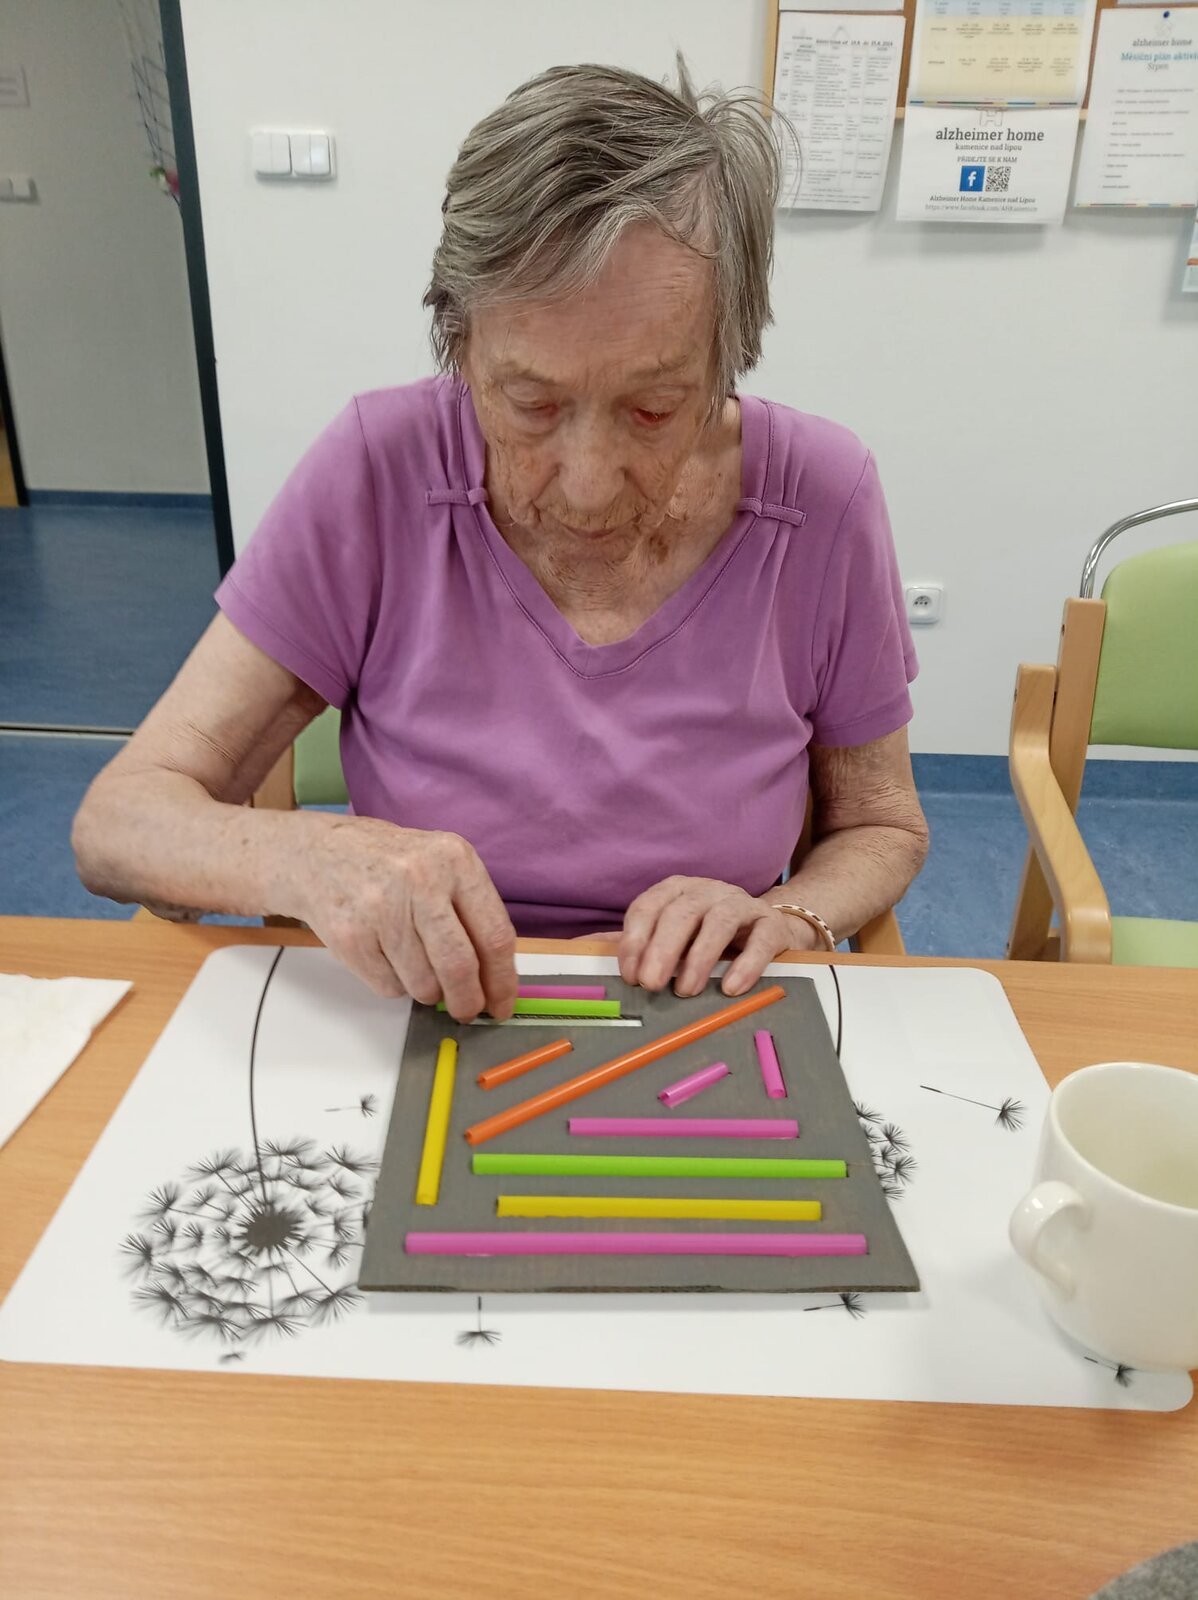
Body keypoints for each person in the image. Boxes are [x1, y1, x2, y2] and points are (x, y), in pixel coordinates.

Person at [73, 61, 928, 1022]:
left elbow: (882, 823)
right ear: (460, 345)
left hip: (697, 1015)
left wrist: (790, 914)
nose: (589, 485)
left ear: (731, 353)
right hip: (412, 1009)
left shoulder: (821, 498)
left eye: (653, 408)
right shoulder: (381, 470)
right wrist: (314, 857)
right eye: (531, 404)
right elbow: (118, 822)